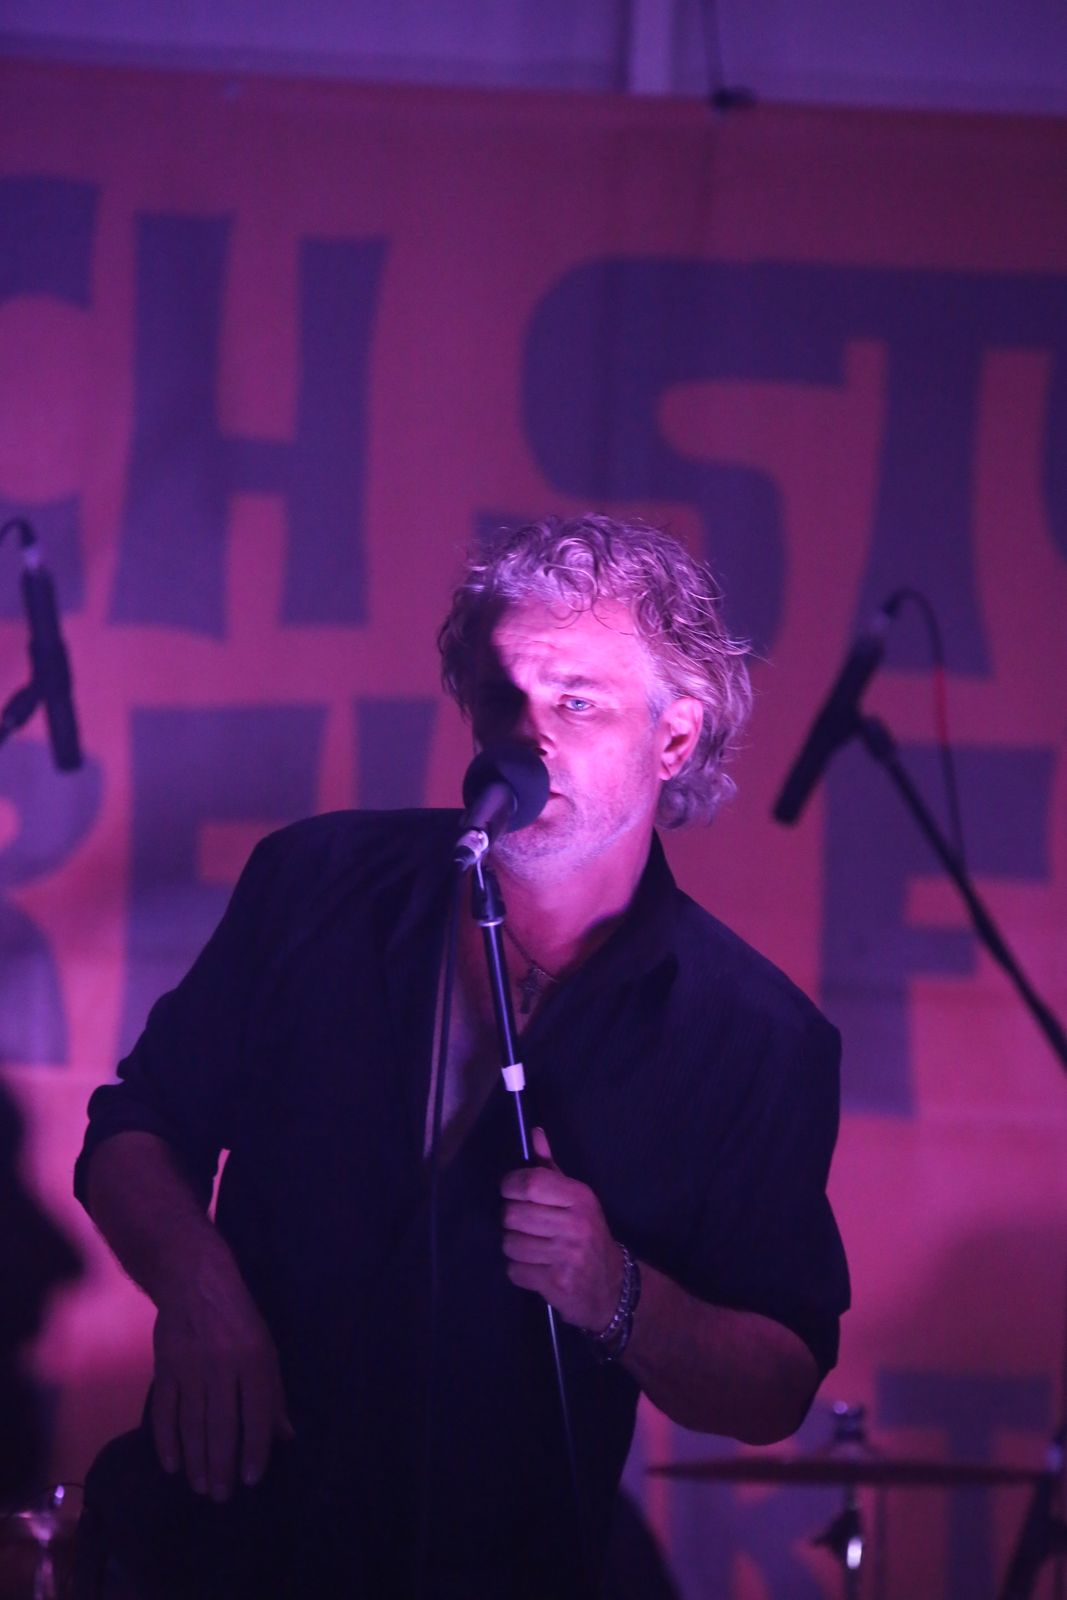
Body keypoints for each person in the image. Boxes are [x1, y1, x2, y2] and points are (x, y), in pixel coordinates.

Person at [74, 515, 849, 1599]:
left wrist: (617, 1293)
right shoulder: (316, 881)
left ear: (673, 741)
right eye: (500, 697)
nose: (525, 737)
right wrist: (197, 1284)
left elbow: (776, 1379)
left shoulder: (753, 1036)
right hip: (216, 1538)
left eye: (575, 702)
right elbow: (133, 1127)